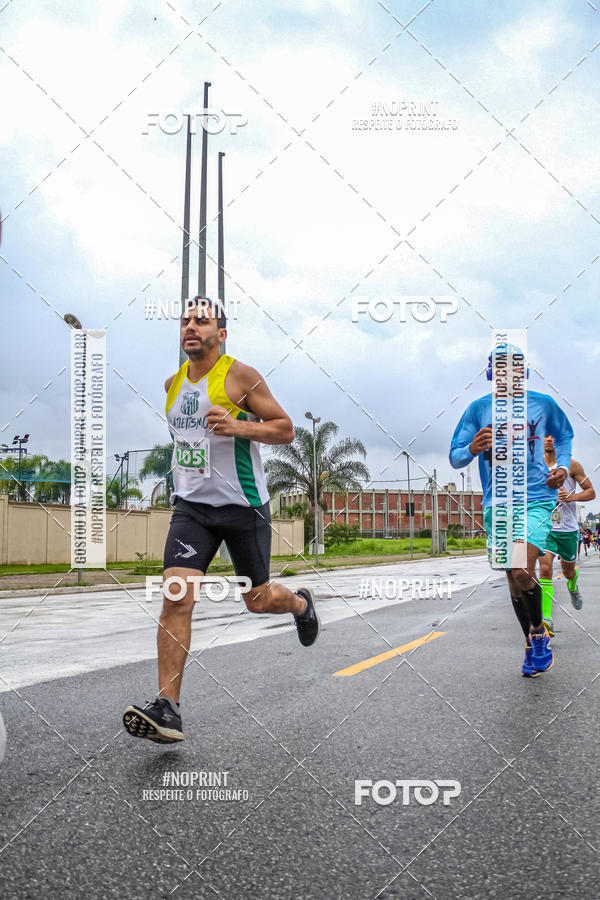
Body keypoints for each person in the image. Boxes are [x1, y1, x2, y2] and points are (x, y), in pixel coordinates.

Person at [123, 298, 320, 743]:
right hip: (192, 508)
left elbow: (285, 428)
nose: (190, 326)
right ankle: (167, 709)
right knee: (176, 596)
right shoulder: (172, 384)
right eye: (185, 320)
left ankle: (299, 604)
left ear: (221, 334)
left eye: (201, 320)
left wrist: (241, 427)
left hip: (242, 506)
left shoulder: (241, 377)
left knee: (258, 600)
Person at [450, 344, 573, 677]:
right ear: (492, 373)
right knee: (513, 579)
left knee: (520, 569)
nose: (508, 372)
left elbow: (564, 435)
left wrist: (562, 466)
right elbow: (455, 456)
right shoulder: (478, 409)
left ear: (523, 370)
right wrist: (472, 448)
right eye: (501, 366)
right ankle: (531, 644)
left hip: (536, 499)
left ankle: (539, 634)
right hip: (498, 503)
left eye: (514, 365)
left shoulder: (542, 404)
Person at [538, 437, 595, 635]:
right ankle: (546, 618)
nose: (549, 439)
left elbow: (591, 492)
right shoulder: (535, 464)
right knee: (545, 569)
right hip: (545, 528)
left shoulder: (571, 465)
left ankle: (572, 585)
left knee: (568, 571)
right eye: (545, 435)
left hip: (568, 530)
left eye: (553, 436)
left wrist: (571, 497)